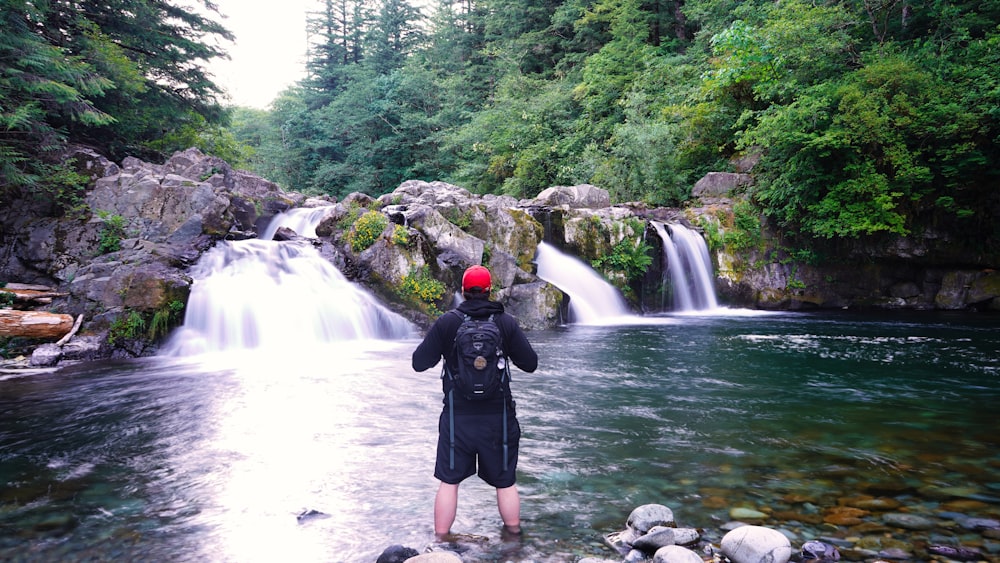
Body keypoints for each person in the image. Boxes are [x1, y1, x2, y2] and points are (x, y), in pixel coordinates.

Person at [411, 265, 538, 539]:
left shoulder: (448, 322)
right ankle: (513, 541)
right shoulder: (505, 323)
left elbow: (418, 363)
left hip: (458, 420)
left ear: (463, 292)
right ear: (490, 290)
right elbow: (531, 364)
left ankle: (442, 542)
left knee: (449, 481)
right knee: (505, 483)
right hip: (498, 420)